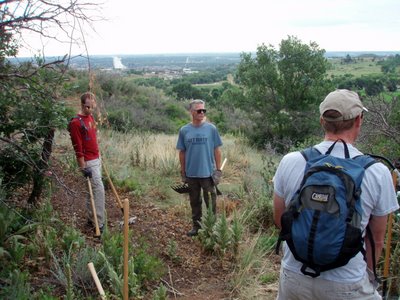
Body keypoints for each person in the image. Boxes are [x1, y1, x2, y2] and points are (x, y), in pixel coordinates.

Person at [273, 89, 399, 299]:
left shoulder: (291, 161)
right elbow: (376, 241)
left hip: (294, 276)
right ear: (359, 120)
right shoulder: (376, 172)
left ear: (322, 121)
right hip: (347, 282)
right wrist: (366, 277)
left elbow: (280, 220)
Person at [176, 99, 223, 237]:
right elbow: (182, 152)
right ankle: (196, 227)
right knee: (194, 202)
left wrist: (218, 170)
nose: (202, 113)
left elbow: (217, 150)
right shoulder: (184, 130)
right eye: (198, 110)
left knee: (211, 203)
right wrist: (183, 172)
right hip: (191, 174)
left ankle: (211, 229)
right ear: (191, 112)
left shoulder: (211, 129)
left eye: (204, 110)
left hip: (208, 174)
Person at [69, 92, 106, 233]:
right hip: (88, 162)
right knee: (99, 191)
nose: (90, 109)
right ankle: (99, 223)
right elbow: (77, 147)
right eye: (87, 106)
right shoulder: (75, 123)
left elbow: (93, 137)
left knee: (93, 191)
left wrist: (99, 154)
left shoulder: (91, 117)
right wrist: (82, 167)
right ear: (82, 105)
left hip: (97, 158)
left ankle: (92, 219)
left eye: (92, 106)